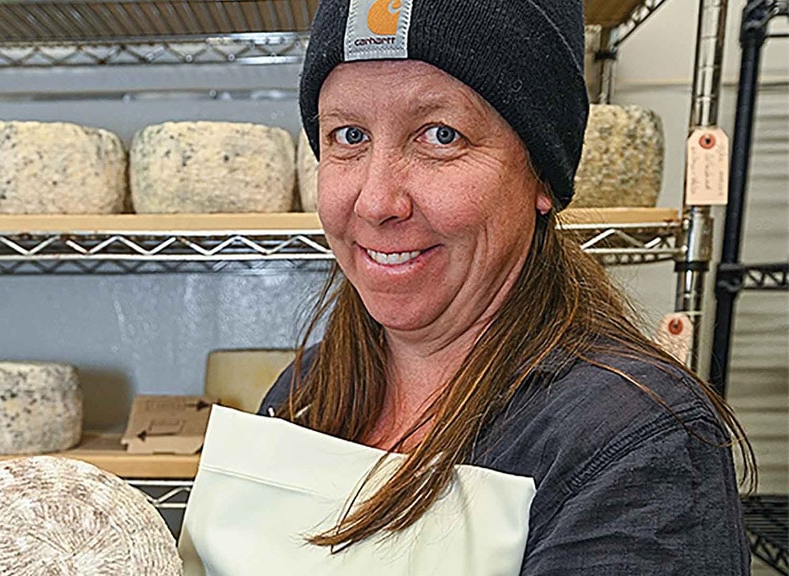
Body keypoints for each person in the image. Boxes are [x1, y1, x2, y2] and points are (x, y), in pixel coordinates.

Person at [180, 0, 754, 573]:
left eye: (440, 135)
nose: (377, 202)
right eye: (349, 135)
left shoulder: (634, 443)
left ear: (542, 176)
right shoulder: (308, 390)